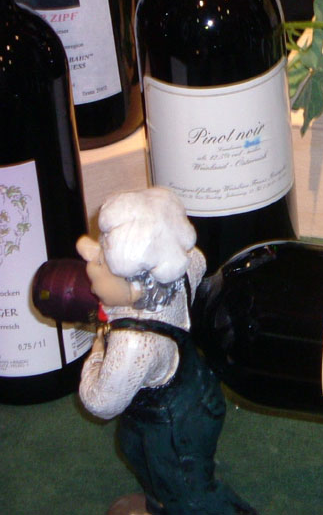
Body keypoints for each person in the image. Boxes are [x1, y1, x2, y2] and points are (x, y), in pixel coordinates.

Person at [77, 187, 255, 515]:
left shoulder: (136, 344)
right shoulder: (179, 269)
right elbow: (197, 259)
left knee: (186, 488)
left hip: (177, 419)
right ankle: (158, 506)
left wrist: (97, 353)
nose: (90, 270)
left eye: (100, 263)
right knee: (135, 449)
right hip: (160, 403)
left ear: (135, 288)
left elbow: (101, 402)